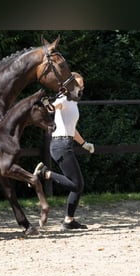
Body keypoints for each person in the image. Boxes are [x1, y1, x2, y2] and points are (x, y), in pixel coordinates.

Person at [33, 72, 94, 230]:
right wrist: (47, 103)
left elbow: (72, 129)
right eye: (79, 85)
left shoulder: (73, 103)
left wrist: (84, 143)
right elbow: (52, 107)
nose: (82, 87)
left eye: (82, 85)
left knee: (77, 185)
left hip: (65, 144)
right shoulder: (64, 99)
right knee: (77, 184)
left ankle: (69, 220)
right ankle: (45, 173)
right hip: (60, 145)